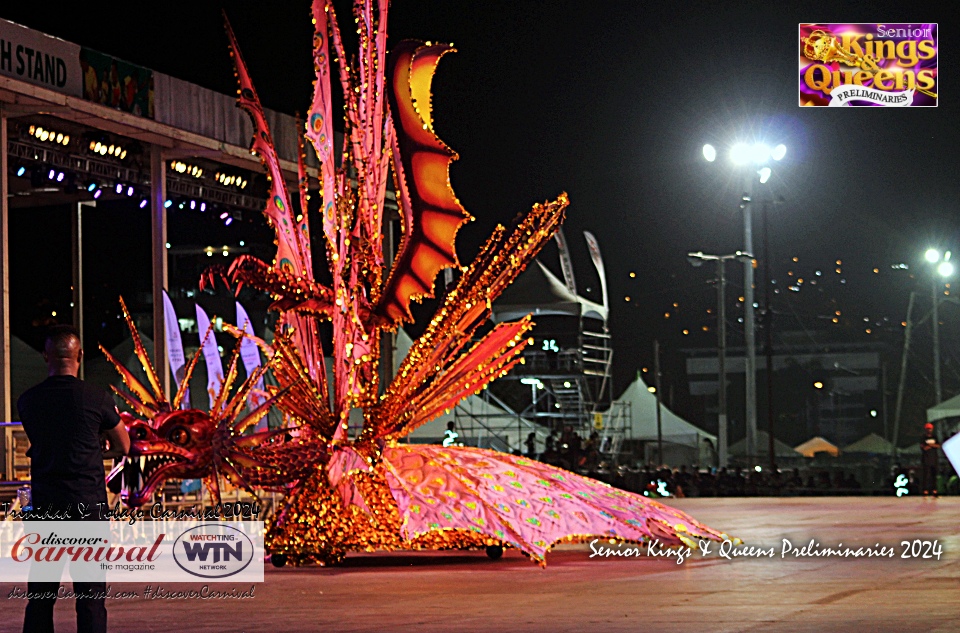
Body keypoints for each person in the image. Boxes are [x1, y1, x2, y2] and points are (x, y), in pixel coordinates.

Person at [17, 325, 130, 633]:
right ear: (80, 355)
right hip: (87, 510)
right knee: (91, 598)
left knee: (41, 597)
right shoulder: (96, 397)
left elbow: (44, 441)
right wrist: (98, 451)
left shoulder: (28, 401)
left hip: (46, 509)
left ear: (45, 356)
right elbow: (123, 445)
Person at [921, 422, 940, 497]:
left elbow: (938, 445)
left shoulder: (935, 436)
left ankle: (934, 490)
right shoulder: (923, 437)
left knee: (934, 475)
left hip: (934, 458)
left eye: (930, 428)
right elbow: (924, 447)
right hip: (926, 459)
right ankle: (925, 490)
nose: (929, 430)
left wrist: (930, 445)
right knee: (926, 475)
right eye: (928, 428)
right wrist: (931, 446)